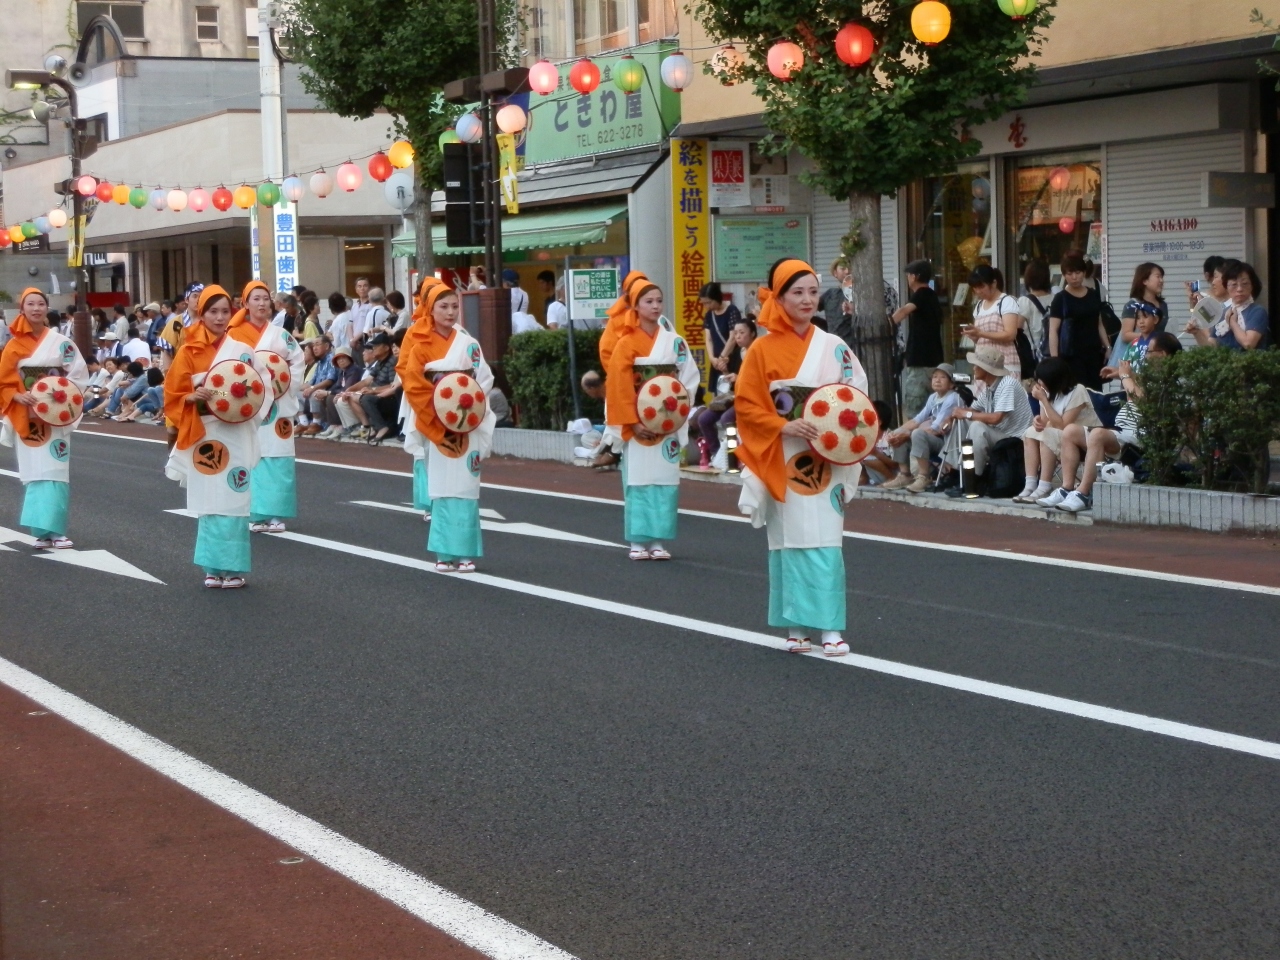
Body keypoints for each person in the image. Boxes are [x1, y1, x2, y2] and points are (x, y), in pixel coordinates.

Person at [734, 258, 867, 657]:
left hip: (826, 453)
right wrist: (781, 425)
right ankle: (795, 626)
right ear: (778, 298)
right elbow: (746, 404)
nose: (808, 300)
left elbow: (856, 392)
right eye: (797, 292)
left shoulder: (833, 345)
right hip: (783, 450)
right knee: (788, 540)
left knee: (826, 538)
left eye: (813, 291)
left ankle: (830, 627)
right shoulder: (760, 349)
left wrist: (837, 429)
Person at [164, 285, 266, 589]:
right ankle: (212, 567)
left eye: (224, 311)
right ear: (201, 313)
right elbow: (173, 393)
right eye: (213, 311)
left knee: (235, 495)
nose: (220, 318)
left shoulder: (243, 351)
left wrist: (244, 407)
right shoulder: (188, 351)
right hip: (204, 431)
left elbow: (263, 388)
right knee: (209, 498)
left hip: (236, 429)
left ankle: (231, 568)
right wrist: (191, 397)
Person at [400, 282, 497, 571]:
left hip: (467, 420)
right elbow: (414, 385)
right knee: (442, 486)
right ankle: (444, 553)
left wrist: (467, 408)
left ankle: (465, 552)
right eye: (443, 306)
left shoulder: (469, 343)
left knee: (466, 486)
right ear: (430, 309)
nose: (450, 312)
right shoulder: (420, 345)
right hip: (437, 422)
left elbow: (483, 379)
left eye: (455, 306)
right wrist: (441, 414)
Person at [605, 280, 701, 561]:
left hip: (667, 420)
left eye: (659, 300)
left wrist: (676, 413)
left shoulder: (675, 342)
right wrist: (632, 422)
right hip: (637, 422)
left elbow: (688, 377)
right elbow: (618, 386)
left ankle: (658, 540)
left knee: (664, 480)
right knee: (638, 480)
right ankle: (637, 540)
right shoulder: (626, 342)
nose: (656, 306)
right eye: (648, 301)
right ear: (635, 306)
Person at [0, 287, 90, 549]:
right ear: (22, 309)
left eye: (41, 303)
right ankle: (42, 532)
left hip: (55, 414)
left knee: (56, 470)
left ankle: (56, 530)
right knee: (35, 471)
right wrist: (17, 396)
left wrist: (61, 395)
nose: (36, 308)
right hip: (27, 417)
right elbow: (4, 382)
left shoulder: (61, 342)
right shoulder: (14, 346)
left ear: (47, 308)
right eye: (30, 304)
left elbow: (78, 373)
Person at [1052, 332, 1183, 513]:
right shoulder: (1153, 376)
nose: (1145, 355)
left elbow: (1142, 399)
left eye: (1149, 352)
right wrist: (1121, 375)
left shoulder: (1170, 380)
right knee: (1070, 431)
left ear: (1162, 354)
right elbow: (1139, 388)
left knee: (1098, 435)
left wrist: (1125, 377)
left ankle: (1084, 492)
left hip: (1141, 438)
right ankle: (1067, 488)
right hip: (1124, 432)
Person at [228, 279, 305, 535]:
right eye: (256, 299)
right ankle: (255, 513)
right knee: (251, 456)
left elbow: (297, 361)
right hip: (248, 404)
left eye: (265, 299)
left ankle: (276, 514)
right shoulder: (234, 335)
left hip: (278, 405)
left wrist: (284, 385)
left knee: (279, 456)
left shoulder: (281, 335)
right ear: (245, 303)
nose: (262, 304)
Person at [1012, 357, 1101, 505]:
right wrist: (1037, 422)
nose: (1039, 383)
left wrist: (1044, 400)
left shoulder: (1078, 391)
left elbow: (1062, 425)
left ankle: (1044, 486)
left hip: (1083, 441)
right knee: (1030, 433)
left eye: (1042, 380)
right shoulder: (1049, 392)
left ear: (1054, 380)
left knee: (1047, 435)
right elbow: (1045, 422)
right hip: (1061, 437)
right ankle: (1030, 485)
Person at [941, 345, 1033, 485]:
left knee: (977, 426)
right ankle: (955, 472)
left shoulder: (1008, 384)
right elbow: (972, 410)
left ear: (986, 369)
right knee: (963, 421)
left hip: (1014, 441)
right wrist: (952, 417)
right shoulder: (990, 387)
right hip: (1002, 436)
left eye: (976, 365)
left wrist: (966, 414)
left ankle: (973, 478)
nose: (973, 368)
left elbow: (996, 418)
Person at [882, 363, 962, 493]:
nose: (937, 380)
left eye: (943, 377)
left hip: (947, 443)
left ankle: (924, 477)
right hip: (933, 439)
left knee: (917, 433)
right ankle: (905, 475)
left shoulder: (952, 398)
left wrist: (907, 435)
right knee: (899, 432)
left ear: (952, 384)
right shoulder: (933, 397)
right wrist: (896, 432)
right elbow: (917, 420)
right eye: (935, 376)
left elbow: (935, 430)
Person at [694, 316, 756, 461]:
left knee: (726, 419)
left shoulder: (757, 352)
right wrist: (725, 371)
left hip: (750, 397)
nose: (738, 336)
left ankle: (735, 456)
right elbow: (731, 380)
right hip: (734, 396)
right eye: (736, 333)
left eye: (742, 332)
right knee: (704, 419)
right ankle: (716, 454)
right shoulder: (736, 353)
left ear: (752, 333)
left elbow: (758, 380)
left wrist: (738, 378)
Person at [1048, 251, 1110, 390]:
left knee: (1095, 394)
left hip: (1093, 355)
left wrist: (1107, 347)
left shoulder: (1093, 294)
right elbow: (1053, 330)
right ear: (1064, 275)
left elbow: (1099, 323)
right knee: (1076, 394)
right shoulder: (1060, 298)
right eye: (1070, 274)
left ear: (1084, 272)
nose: (1074, 277)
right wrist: (1055, 359)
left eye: (1078, 272)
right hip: (1071, 357)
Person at [891, 259, 945, 417]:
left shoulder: (921, 294)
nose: (908, 278)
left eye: (909, 275)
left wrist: (888, 324)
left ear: (914, 276)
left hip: (920, 361)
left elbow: (904, 311)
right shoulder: (932, 296)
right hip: (934, 359)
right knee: (932, 408)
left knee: (916, 408)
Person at [1186, 260, 1270, 351]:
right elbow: (1211, 348)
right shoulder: (1222, 312)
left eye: (1245, 284)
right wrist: (1197, 333)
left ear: (1252, 286)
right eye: (1234, 284)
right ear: (1226, 287)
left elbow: (1248, 344)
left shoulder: (1257, 311)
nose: (1239, 289)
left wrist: (1232, 322)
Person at [961, 264, 1023, 381]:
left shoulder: (1006, 301)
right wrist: (975, 336)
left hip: (1004, 363)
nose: (978, 291)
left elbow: (1010, 334)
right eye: (975, 288)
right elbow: (981, 338)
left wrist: (981, 333)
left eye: (981, 287)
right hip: (983, 364)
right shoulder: (979, 306)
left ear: (993, 283)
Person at [701, 282, 743, 394]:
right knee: (719, 394)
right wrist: (712, 358)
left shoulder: (732, 311)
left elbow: (733, 338)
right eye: (704, 303)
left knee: (733, 392)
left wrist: (722, 357)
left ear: (717, 298)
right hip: (717, 362)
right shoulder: (709, 315)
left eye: (709, 302)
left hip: (731, 358)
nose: (706, 306)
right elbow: (708, 339)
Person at [320, 346, 364, 439]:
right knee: (325, 396)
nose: (341, 361)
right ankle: (333, 424)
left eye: (343, 357)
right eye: (338, 359)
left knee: (332, 397)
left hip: (353, 395)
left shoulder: (354, 370)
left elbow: (347, 388)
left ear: (349, 359)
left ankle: (341, 426)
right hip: (345, 394)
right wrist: (326, 392)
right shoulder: (342, 371)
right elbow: (337, 386)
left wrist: (328, 393)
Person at [1119, 262, 1168, 344]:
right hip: (1137, 351)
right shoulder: (1132, 305)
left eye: (1162, 277)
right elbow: (1126, 335)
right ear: (1145, 281)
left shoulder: (1163, 305)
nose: (1161, 280)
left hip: (1157, 351)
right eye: (1158, 276)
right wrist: (1150, 337)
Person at [298, 336, 337, 437]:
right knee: (294, 393)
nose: (314, 348)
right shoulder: (320, 362)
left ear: (327, 346)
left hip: (328, 392)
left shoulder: (332, 358)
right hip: (316, 390)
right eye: (313, 345)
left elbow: (330, 380)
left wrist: (312, 388)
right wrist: (294, 388)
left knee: (315, 393)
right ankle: (303, 423)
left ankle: (317, 423)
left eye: (317, 344)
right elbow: (311, 382)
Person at [1017, 259, 1053, 357]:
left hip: (1032, 351)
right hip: (1052, 349)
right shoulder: (1055, 299)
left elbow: (1018, 329)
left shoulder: (1024, 301)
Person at [818, 258, 854, 344]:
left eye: (850, 268)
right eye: (843, 268)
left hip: (854, 345)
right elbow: (812, 307)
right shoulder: (830, 294)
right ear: (835, 273)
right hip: (833, 344)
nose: (847, 271)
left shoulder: (861, 294)